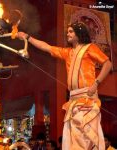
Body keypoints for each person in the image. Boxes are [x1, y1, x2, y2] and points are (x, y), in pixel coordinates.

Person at [17, 22, 112, 150]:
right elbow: (47, 47)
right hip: (73, 100)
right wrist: (28, 37)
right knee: (73, 136)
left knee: (85, 136)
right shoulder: (68, 52)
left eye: (71, 31)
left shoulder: (90, 48)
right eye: (67, 31)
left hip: (87, 97)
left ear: (79, 34)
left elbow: (108, 64)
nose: (68, 34)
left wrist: (96, 83)